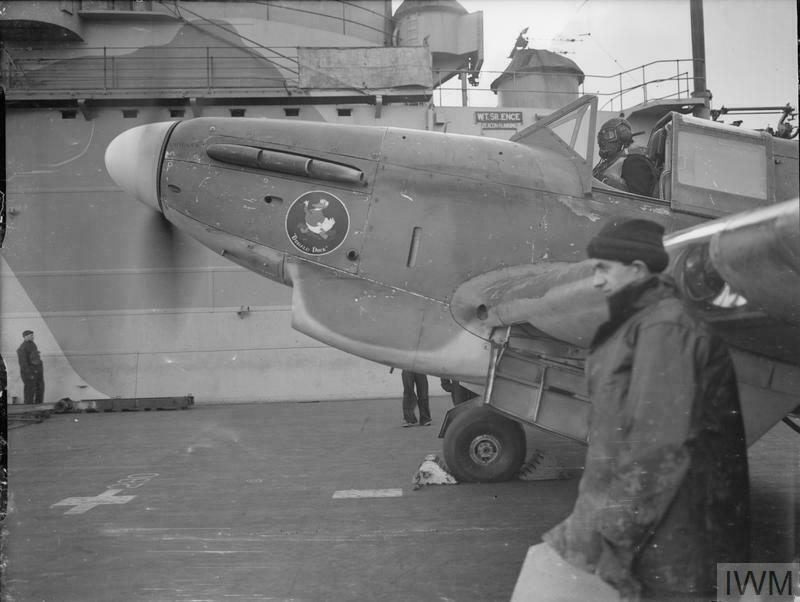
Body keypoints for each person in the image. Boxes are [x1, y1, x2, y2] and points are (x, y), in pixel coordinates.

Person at [537, 218, 751, 601]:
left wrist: (615, 538)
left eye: (604, 268)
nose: (597, 281)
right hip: (646, 534)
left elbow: (657, 450)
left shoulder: (665, 327)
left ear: (637, 269)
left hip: (673, 543)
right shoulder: (637, 325)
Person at [593, 118, 656, 197]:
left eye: (608, 135)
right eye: (600, 137)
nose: (602, 141)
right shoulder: (603, 165)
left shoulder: (634, 162)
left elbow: (641, 201)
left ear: (623, 137)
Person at [17, 330, 45, 405]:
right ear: (25, 337)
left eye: (32, 335)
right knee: (30, 391)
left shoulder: (32, 344)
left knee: (40, 388)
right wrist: (29, 374)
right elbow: (23, 364)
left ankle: (38, 407)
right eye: (30, 335)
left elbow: (35, 357)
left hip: (37, 371)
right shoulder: (22, 348)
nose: (32, 337)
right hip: (30, 372)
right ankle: (28, 410)